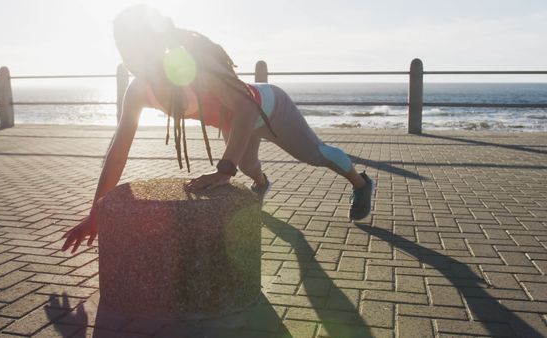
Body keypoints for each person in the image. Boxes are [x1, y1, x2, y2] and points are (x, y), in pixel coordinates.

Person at [61, 5, 373, 254]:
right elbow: (118, 150)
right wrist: (96, 212)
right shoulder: (139, 90)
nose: (131, 58)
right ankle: (262, 184)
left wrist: (224, 170)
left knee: (315, 155)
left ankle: (360, 184)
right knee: (249, 167)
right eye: (124, 49)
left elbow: (246, 109)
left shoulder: (195, 63)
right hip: (235, 123)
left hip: (270, 107)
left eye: (135, 46)